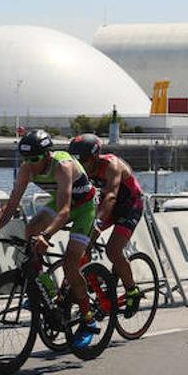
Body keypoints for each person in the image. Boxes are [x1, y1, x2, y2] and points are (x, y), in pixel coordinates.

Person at [0, 130, 99, 348]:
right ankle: (48, 289)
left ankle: (88, 319)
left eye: (35, 159)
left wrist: (46, 236)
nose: (30, 164)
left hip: (83, 208)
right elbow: (12, 204)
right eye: (26, 159)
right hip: (62, 204)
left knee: (71, 264)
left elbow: (64, 210)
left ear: (47, 154)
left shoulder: (62, 167)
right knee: (30, 229)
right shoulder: (26, 169)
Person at [68, 133, 147, 313]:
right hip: (106, 205)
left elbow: (111, 196)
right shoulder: (81, 167)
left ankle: (132, 290)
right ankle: (94, 282)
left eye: (84, 161)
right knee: (82, 245)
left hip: (129, 205)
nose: (80, 167)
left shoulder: (112, 164)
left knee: (113, 249)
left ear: (95, 157)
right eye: (77, 162)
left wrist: (97, 223)